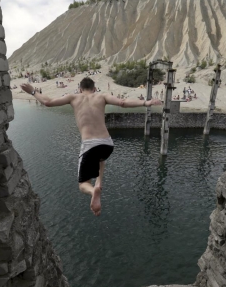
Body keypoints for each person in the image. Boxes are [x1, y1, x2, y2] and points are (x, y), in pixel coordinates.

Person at [20, 78, 162, 216]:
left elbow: (48, 102)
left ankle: (93, 191)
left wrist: (33, 91)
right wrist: (146, 102)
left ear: (80, 89)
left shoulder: (73, 97)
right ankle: (99, 182)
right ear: (94, 89)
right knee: (100, 159)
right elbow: (123, 102)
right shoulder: (102, 96)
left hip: (89, 146)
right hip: (107, 144)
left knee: (82, 184)